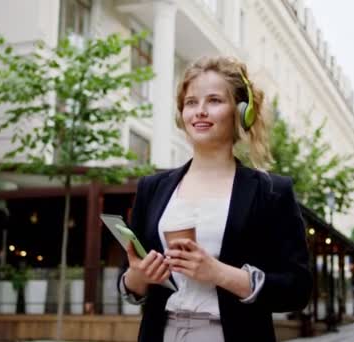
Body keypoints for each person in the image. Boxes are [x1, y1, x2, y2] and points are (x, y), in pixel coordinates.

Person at [117, 56, 312, 342]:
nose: (200, 112)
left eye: (214, 101)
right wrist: (138, 276)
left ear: (241, 111)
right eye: (191, 102)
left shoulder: (271, 192)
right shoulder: (152, 188)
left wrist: (219, 273)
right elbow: (130, 282)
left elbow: (297, 289)